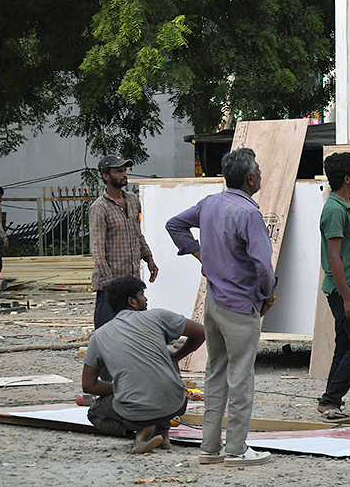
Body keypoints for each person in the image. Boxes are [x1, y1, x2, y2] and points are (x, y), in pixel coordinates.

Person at [165, 147, 276, 467]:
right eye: (258, 170)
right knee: (241, 378)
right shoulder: (250, 214)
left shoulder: (210, 203)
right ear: (251, 178)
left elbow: (175, 225)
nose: (260, 174)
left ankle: (210, 447)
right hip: (241, 305)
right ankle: (237, 449)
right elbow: (263, 267)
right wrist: (267, 294)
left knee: (215, 374)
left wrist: (200, 254)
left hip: (213, 302)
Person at [82, 275, 205, 454]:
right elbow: (201, 333)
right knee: (161, 386)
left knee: (95, 413)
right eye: (142, 294)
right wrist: (177, 356)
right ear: (132, 301)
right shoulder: (158, 316)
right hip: (176, 403)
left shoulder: (100, 335)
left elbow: (88, 385)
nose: (146, 299)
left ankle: (141, 432)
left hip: (135, 409)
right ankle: (162, 433)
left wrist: (119, 387)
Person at [316, 152, 350, 421]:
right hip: (342, 291)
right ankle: (330, 400)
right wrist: (349, 298)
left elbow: (348, 256)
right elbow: (333, 257)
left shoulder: (347, 203)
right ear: (347, 178)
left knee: (345, 344)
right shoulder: (335, 210)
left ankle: (330, 401)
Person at [90, 155, 159, 330]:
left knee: (134, 330)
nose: (124, 175)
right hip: (110, 284)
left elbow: (137, 234)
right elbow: (97, 249)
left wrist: (149, 258)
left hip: (132, 280)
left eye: (125, 170)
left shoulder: (133, 201)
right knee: (108, 331)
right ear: (106, 176)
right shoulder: (100, 207)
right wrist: (110, 282)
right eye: (118, 171)